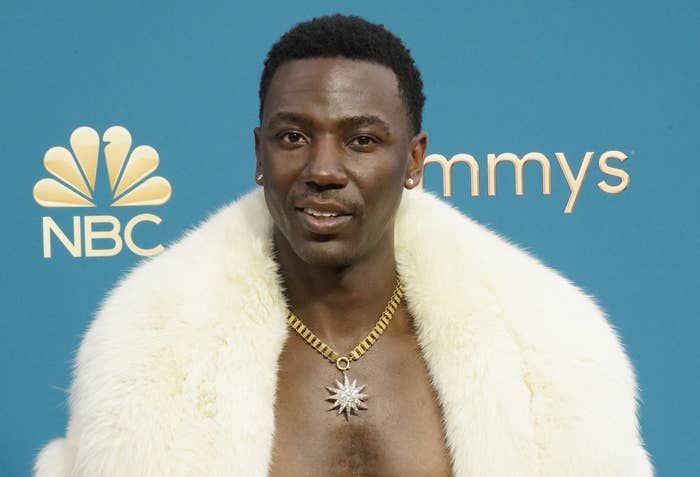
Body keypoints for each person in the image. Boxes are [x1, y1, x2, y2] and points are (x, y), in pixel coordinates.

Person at [35, 14, 653, 477]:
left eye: (361, 140)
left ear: (413, 161)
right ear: (258, 154)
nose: (322, 169)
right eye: (293, 136)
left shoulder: (546, 352)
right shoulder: (152, 358)